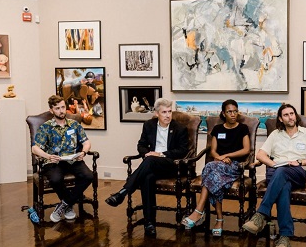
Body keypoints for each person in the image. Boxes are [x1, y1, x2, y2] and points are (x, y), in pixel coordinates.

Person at [242, 104, 306, 247]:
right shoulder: (275, 134)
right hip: (276, 171)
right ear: (281, 118)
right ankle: (284, 237)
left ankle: (261, 215)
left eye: (292, 113)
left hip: (297, 172)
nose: (290, 117)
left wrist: (300, 163)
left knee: (283, 172)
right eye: (286, 115)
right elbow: (260, 155)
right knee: (283, 185)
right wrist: (273, 164)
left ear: (295, 115)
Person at [105, 98, 189, 236]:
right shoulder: (149, 125)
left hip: (172, 165)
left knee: (150, 160)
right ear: (156, 113)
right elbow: (141, 145)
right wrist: (146, 153)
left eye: (169, 112)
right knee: (147, 177)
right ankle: (149, 222)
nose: (168, 115)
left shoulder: (180, 128)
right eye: (164, 112)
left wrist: (160, 154)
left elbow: (182, 151)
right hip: (152, 165)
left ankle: (123, 192)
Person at [181, 99, 251, 236]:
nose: (233, 114)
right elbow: (213, 151)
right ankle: (218, 219)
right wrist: (219, 157)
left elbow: (246, 150)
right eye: (229, 111)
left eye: (235, 111)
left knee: (209, 168)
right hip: (218, 165)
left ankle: (199, 211)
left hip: (235, 166)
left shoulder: (242, 128)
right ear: (223, 113)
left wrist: (226, 156)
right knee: (213, 172)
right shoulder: (218, 129)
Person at [31, 95, 93, 223]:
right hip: (54, 161)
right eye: (57, 108)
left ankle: (64, 204)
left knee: (88, 176)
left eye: (63, 107)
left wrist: (83, 152)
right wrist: (48, 156)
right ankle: (68, 206)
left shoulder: (74, 125)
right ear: (51, 111)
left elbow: (86, 142)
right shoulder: (46, 127)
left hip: (73, 159)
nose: (61, 111)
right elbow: (34, 149)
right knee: (55, 179)